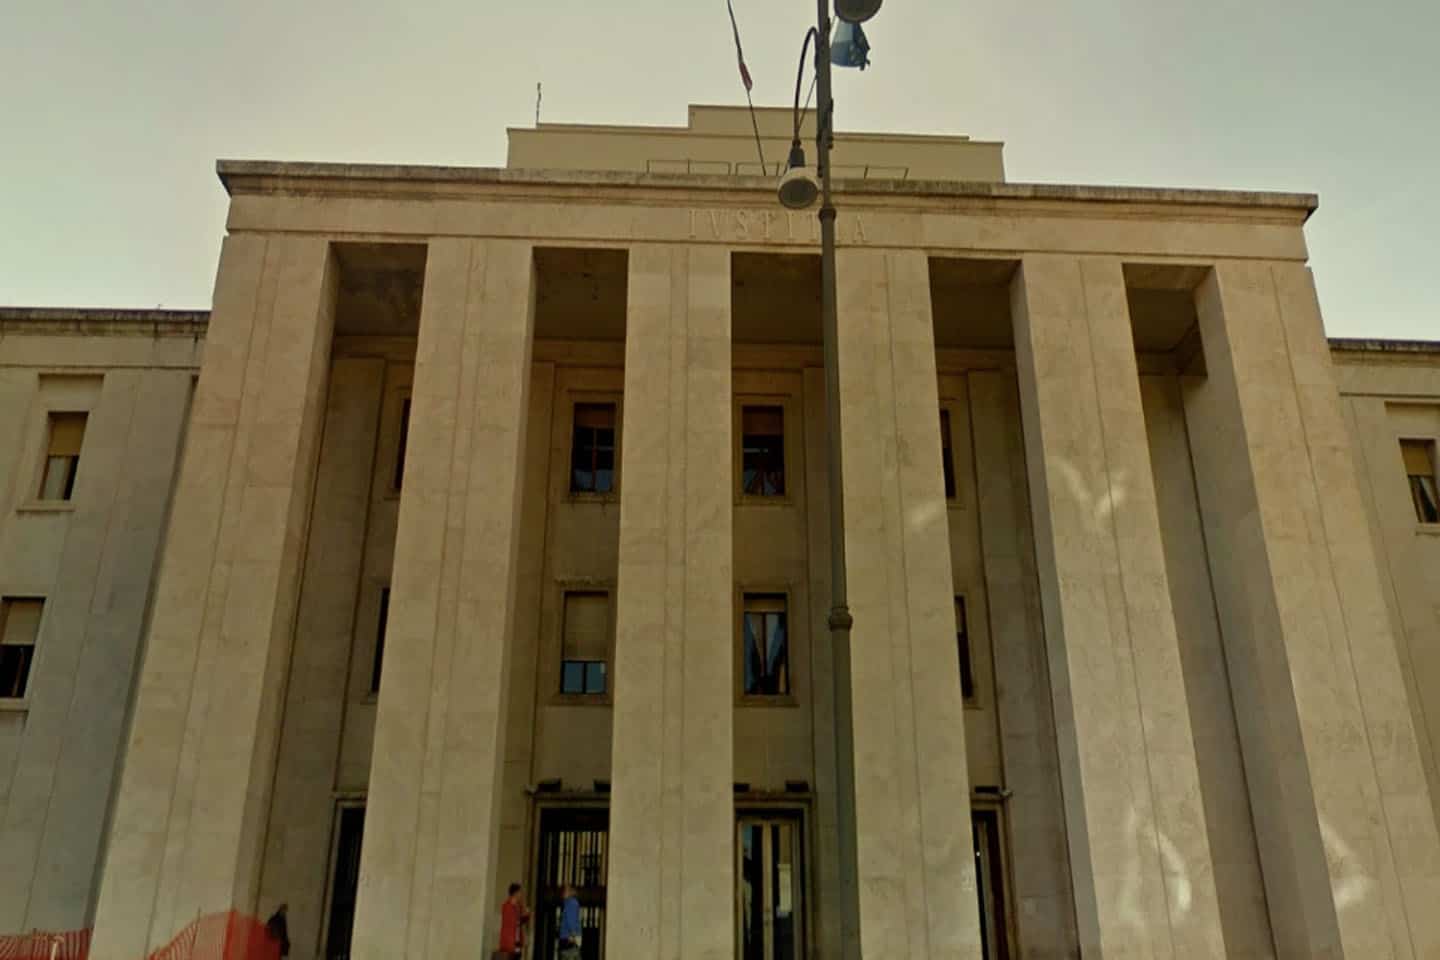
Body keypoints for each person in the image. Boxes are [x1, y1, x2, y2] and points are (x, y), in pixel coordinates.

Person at [497, 882, 530, 959]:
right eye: (520, 892)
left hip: (517, 941)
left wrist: (526, 913)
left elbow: (522, 921)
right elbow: (513, 922)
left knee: (517, 956)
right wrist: (524, 914)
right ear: (515, 893)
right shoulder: (507, 906)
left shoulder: (519, 906)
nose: (521, 895)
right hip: (509, 942)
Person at [557, 884, 582, 960]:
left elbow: (571, 920)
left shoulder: (571, 903)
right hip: (568, 937)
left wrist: (573, 934)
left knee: (568, 955)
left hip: (568, 937)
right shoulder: (569, 903)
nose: (563, 893)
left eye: (565, 891)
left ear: (571, 892)